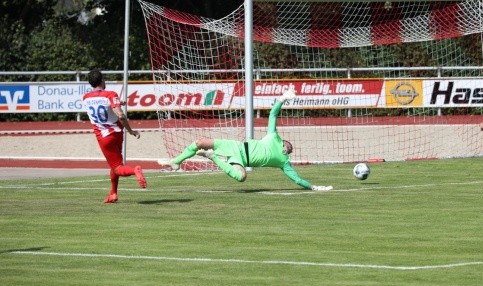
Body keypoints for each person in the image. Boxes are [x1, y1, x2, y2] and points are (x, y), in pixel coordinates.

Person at [158, 89, 333, 191]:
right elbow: (273, 114)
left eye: (291, 149)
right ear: (284, 142)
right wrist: (282, 99)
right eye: (288, 144)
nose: (289, 147)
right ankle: (176, 162)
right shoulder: (273, 136)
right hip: (237, 146)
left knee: (242, 177)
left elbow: (296, 179)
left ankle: (213, 157)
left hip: (240, 159)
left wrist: (313, 187)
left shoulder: (284, 163)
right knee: (199, 142)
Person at [82, 69, 147, 203]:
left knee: (117, 167)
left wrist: (117, 105)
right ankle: (113, 193)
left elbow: (102, 106)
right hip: (117, 133)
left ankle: (135, 170)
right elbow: (121, 115)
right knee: (114, 165)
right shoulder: (111, 94)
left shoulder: (86, 98)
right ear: (102, 81)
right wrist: (131, 131)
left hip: (104, 137)